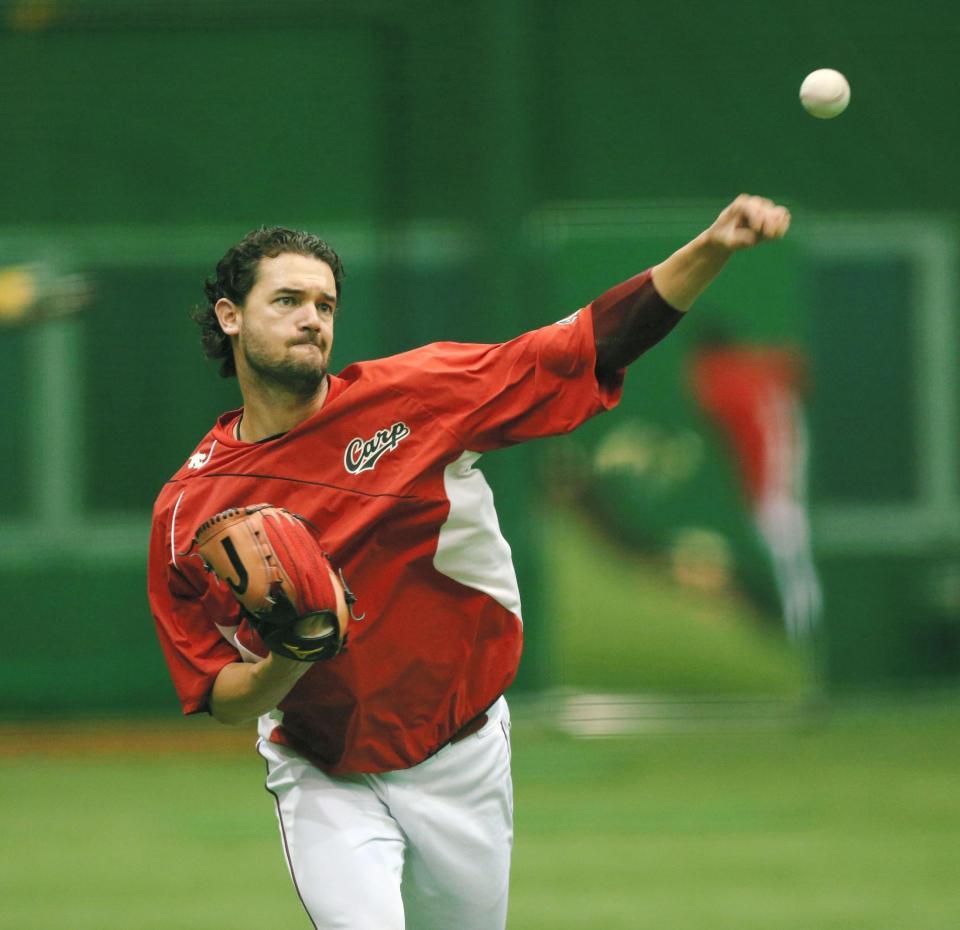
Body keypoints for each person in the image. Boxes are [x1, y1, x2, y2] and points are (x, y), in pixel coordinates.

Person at [148, 194, 791, 930]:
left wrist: (713, 246)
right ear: (230, 316)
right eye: (287, 299)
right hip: (325, 770)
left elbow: (589, 343)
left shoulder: (418, 397)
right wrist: (289, 659)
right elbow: (223, 698)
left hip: (463, 752)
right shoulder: (191, 510)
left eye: (325, 304)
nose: (312, 319)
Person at [688, 325, 822, 640]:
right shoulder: (757, 363)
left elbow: (708, 398)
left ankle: (804, 632)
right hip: (785, 453)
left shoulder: (720, 373)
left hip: (773, 463)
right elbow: (795, 362)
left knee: (786, 546)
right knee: (785, 546)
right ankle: (802, 627)